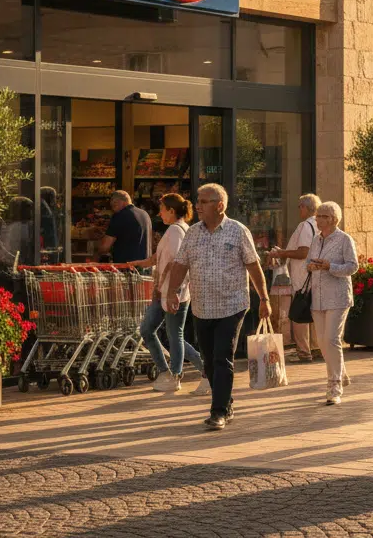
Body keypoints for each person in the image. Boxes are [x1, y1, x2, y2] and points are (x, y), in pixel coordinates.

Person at [163, 184, 271, 431]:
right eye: (198, 200)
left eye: (203, 201)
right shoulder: (192, 233)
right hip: (201, 307)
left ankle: (218, 411)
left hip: (232, 306)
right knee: (209, 361)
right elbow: (180, 264)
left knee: (222, 357)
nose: (197, 206)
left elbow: (254, 267)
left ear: (219, 205)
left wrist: (264, 299)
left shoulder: (238, 231)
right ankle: (226, 400)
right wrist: (172, 291)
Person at [130, 193, 207, 393]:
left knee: (173, 335)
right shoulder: (176, 230)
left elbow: (175, 263)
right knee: (153, 330)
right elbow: (160, 257)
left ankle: (175, 375)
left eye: (162, 209)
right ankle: (173, 371)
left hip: (173, 292)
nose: (160, 213)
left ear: (172, 211)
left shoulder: (176, 231)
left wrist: (162, 285)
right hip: (168, 291)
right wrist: (140, 263)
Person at [304, 201, 358, 405]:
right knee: (322, 342)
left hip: (337, 296)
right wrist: (311, 266)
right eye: (317, 215)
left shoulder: (345, 240)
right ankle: (341, 372)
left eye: (321, 216)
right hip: (317, 298)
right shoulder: (316, 240)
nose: (317, 219)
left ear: (333, 219)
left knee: (332, 339)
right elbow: (307, 262)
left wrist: (330, 267)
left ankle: (334, 385)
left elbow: (353, 266)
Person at [266, 194, 319, 362]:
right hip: (314, 276)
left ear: (305, 207)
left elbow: (303, 252)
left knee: (299, 315)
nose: (298, 210)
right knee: (314, 314)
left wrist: (282, 253)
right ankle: (316, 349)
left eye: (299, 206)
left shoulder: (305, 226)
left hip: (303, 277)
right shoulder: (318, 225)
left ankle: (304, 352)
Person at [101, 190, 152, 264]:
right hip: (144, 265)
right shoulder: (144, 214)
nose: (113, 209)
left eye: (114, 204)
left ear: (121, 201)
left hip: (126, 267)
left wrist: (95, 255)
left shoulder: (119, 216)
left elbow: (105, 247)